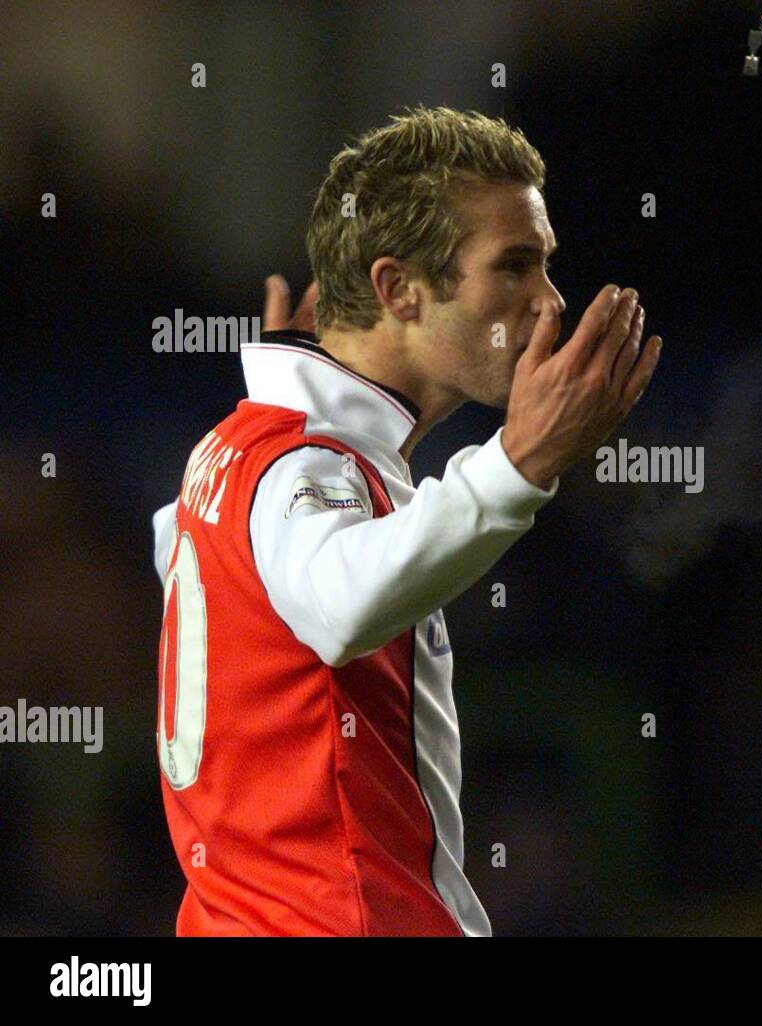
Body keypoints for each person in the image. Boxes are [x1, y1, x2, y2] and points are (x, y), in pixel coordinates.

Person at [151, 106, 661, 936]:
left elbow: (186, 548)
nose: (549, 301)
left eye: (547, 265)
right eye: (515, 267)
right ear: (397, 289)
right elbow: (342, 602)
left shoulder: (239, 449)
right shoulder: (299, 465)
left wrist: (298, 384)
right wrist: (519, 463)